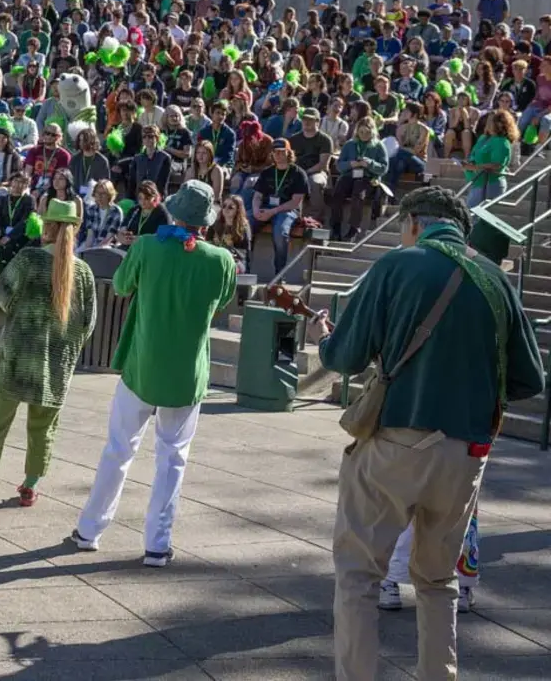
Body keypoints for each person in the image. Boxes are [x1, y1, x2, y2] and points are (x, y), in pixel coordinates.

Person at [309, 187, 543, 681]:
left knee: (358, 576)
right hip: (466, 453)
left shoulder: (399, 265)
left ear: (414, 222)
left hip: (397, 439)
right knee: (439, 582)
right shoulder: (497, 280)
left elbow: (344, 357)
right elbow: (529, 380)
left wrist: (326, 340)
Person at [73, 180, 236, 566]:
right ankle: (157, 545)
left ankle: (90, 529)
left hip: (141, 365)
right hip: (187, 373)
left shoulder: (147, 246)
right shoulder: (221, 260)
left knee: (118, 448)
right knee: (173, 459)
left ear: (175, 212)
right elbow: (223, 301)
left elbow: (123, 284)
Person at [0, 198, 96, 505]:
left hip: (16, 356)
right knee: (43, 428)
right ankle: (30, 485)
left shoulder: (28, 258)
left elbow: (1, 295)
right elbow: (88, 324)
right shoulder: (83, 273)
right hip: (55, 364)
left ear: (50, 227)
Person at [251, 139, 309, 275]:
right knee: (244, 224)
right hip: (266, 208)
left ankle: (279, 273)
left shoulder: (299, 173)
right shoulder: (267, 172)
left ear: (289, 153)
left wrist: (273, 211)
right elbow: (257, 196)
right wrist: (255, 210)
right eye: (275, 152)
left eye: (282, 152)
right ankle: (243, 266)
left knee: (280, 232)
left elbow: (295, 202)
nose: (278, 155)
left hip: (287, 210)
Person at [329, 117, 388, 242]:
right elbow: (339, 165)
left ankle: (354, 227)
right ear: (357, 132)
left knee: (358, 193)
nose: (364, 135)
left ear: (372, 132)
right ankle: (335, 227)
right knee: (337, 192)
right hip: (350, 175)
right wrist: (351, 164)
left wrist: (370, 164)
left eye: (367, 132)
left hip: (368, 178)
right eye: (361, 132)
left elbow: (384, 168)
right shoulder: (350, 144)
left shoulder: (378, 145)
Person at [465, 110, 516, 207]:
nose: (487, 123)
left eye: (491, 121)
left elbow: (497, 165)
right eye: (487, 120)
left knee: (475, 217)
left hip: (490, 184)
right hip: (476, 183)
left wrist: (474, 167)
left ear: (500, 124)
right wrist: (469, 163)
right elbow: (474, 154)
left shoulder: (502, 142)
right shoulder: (483, 138)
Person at [117, 180, 170, 246]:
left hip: (149, 250)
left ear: (155, 197)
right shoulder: (135, 210)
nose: (142, 202)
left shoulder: (162, 213)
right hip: (130, 248)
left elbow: (163, 238)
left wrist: (140, 240)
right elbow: (121, 230)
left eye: (147, 198)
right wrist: (122, 236)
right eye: (140, 198)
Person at [209, 194, 252, 272]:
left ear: (238, 210)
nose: (226, 209)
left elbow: (244, 253)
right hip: (215, 258)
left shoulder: (243, 227)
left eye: (230, 207)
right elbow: (208, 243)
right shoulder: (214, 224)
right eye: (224, 206)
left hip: (235, 261)